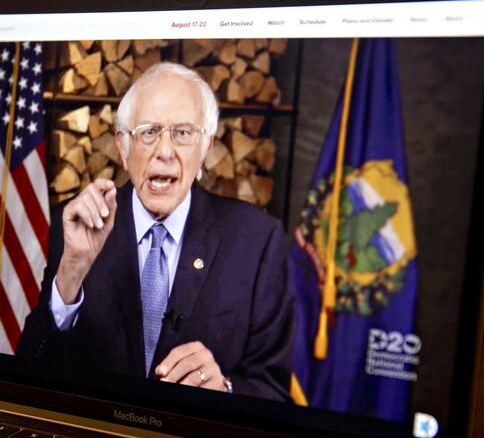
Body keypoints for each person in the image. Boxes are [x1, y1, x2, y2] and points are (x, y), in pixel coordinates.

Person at [17, 62, 293, 400]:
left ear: (205, 146)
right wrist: (71, 272)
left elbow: (275, 390)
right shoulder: (77, 227)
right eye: (148, 132)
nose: (164, 152)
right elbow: (30, 369)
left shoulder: (258, 241)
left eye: (183, 133)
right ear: (122, 146)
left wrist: (225, 390)